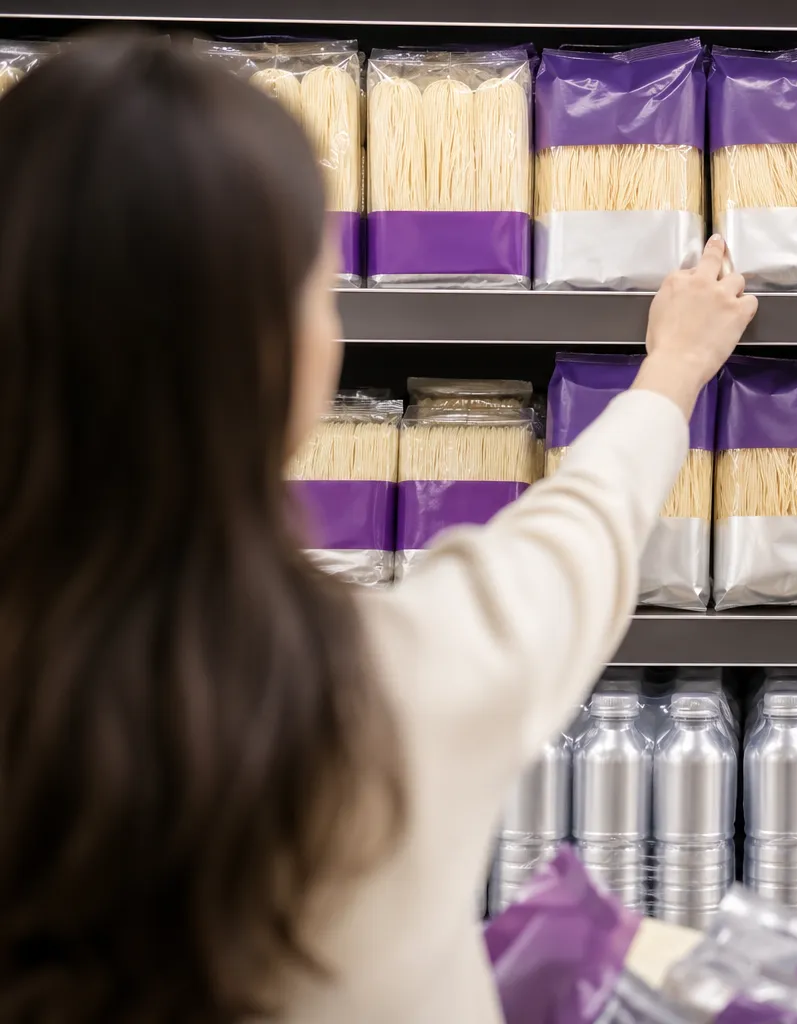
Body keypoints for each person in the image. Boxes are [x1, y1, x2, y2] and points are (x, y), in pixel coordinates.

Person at [0, 32, 755, 1024]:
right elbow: (581, 535)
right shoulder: (398, 691)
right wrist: (672, 372)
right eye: (316, 286)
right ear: (277, 357)